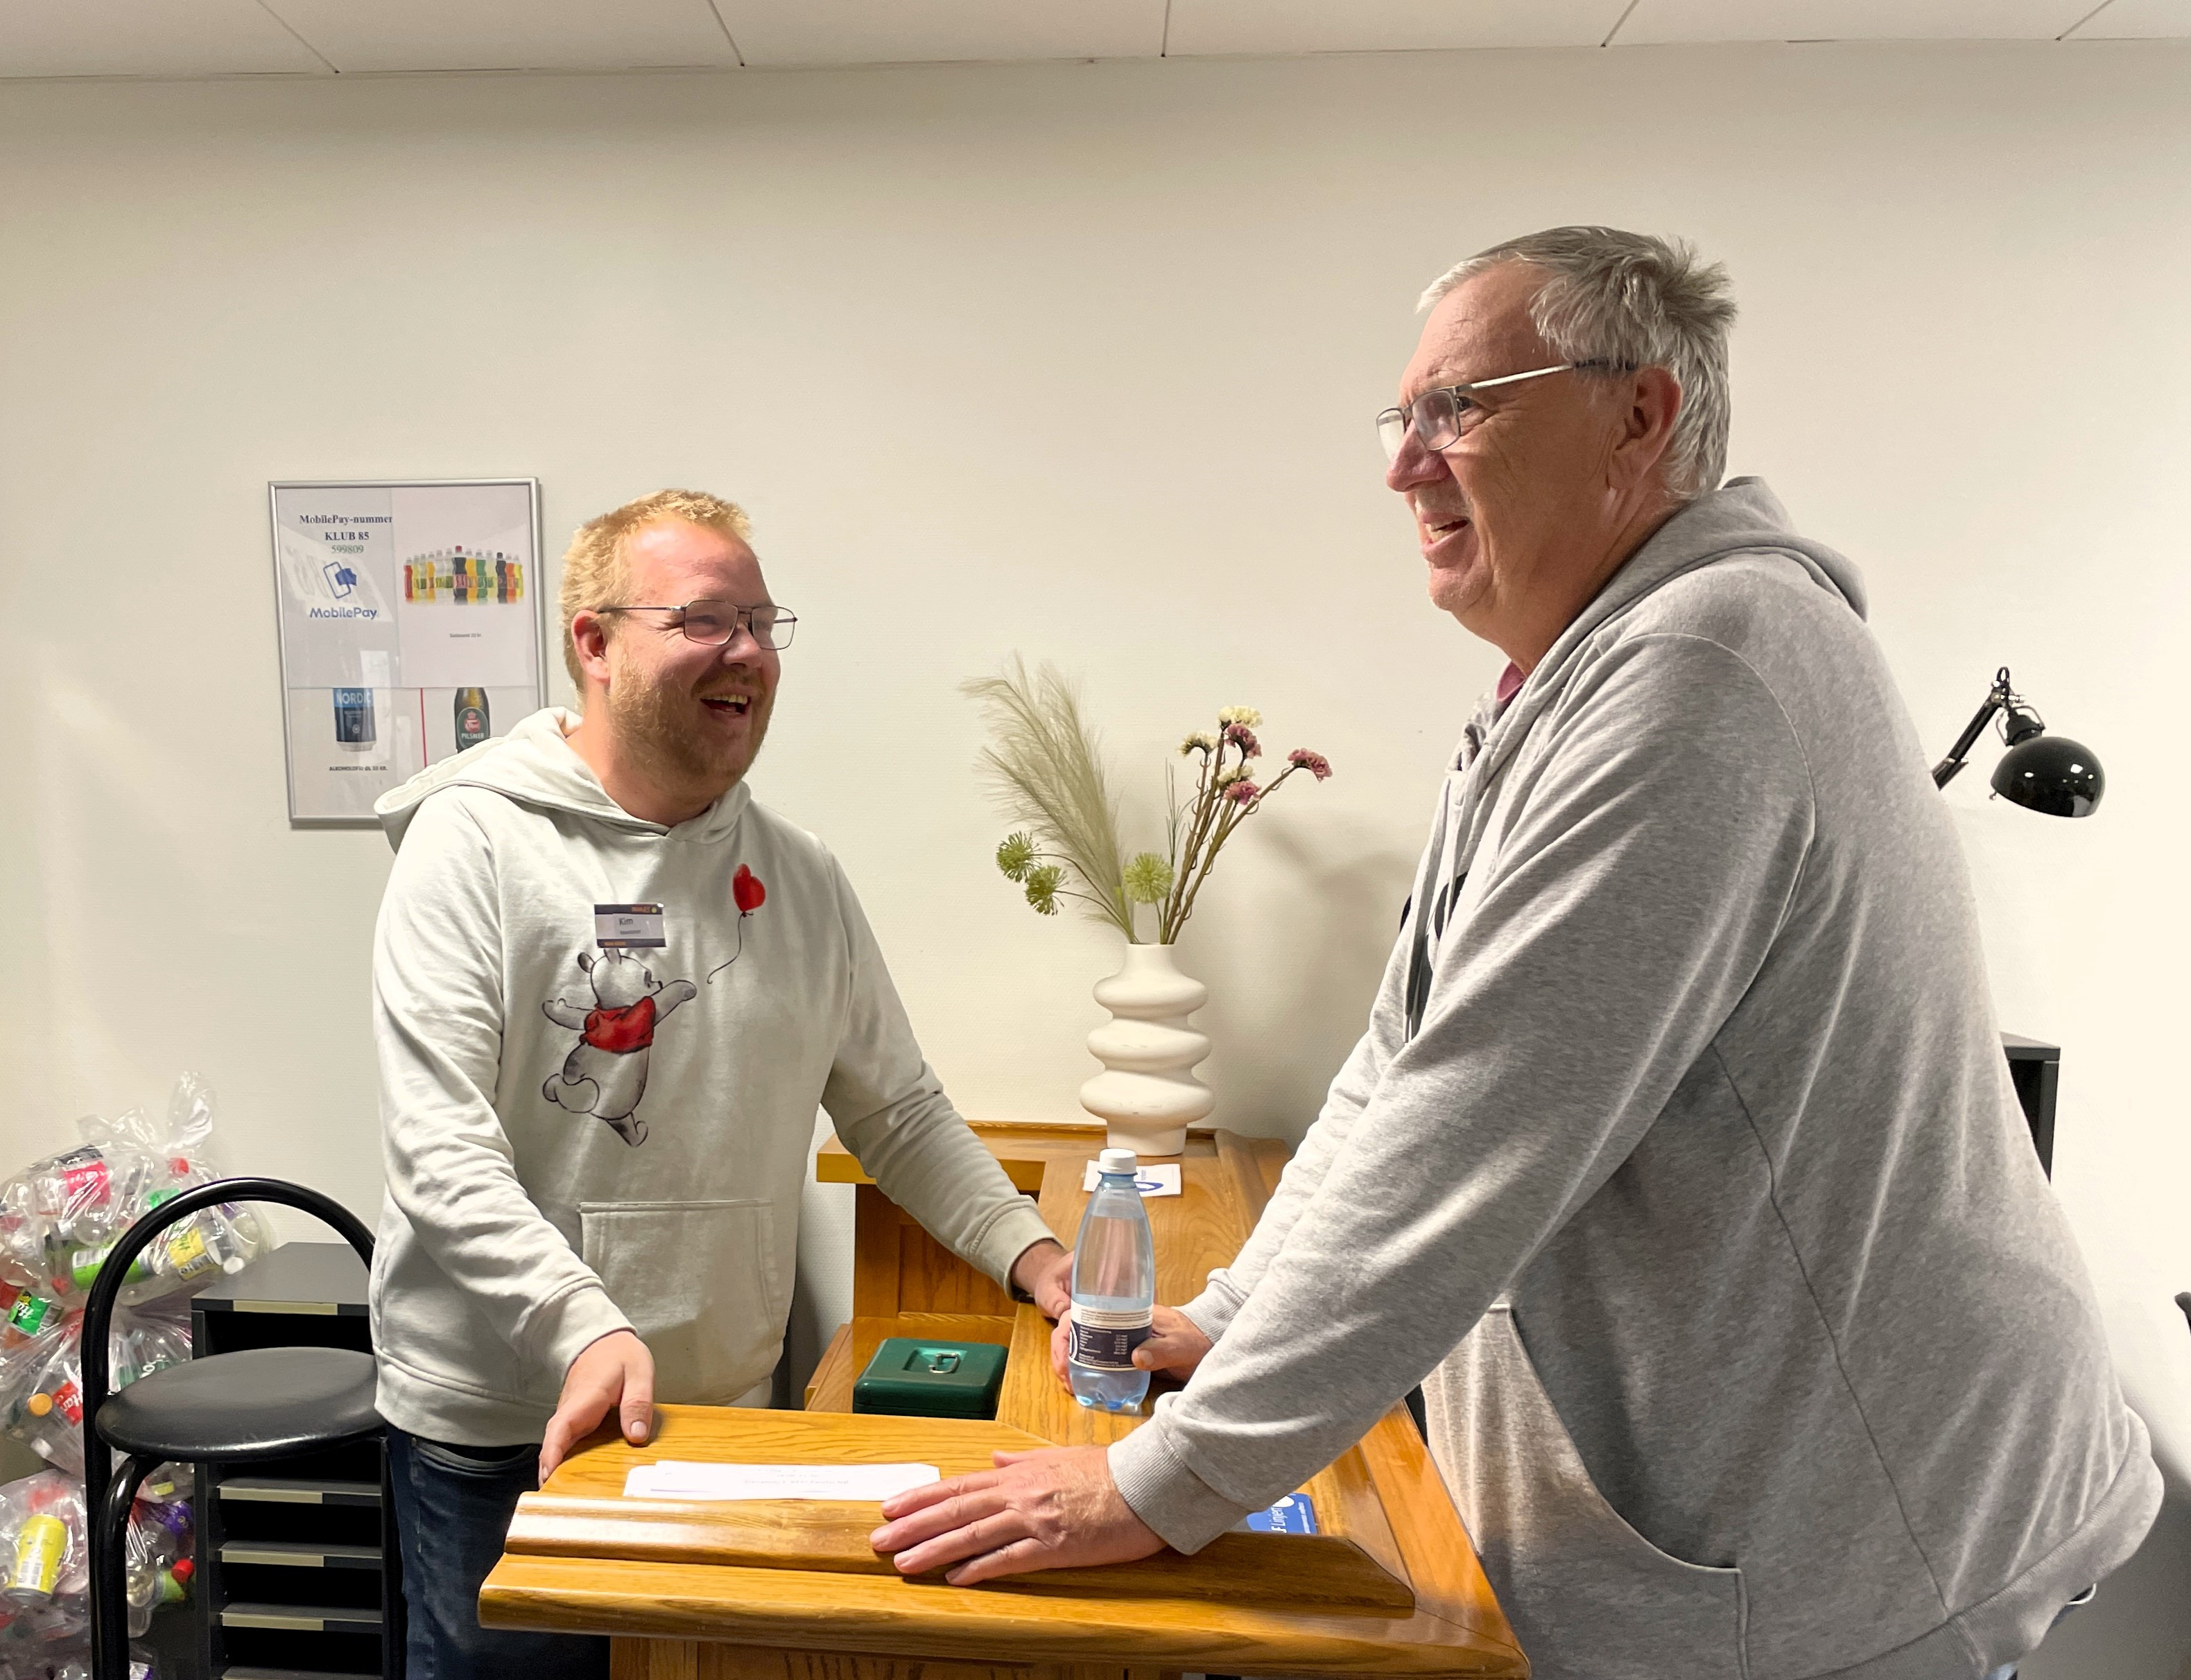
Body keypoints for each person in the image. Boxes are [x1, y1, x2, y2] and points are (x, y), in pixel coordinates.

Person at [870, 229, 2161, 1680]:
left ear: (1637, 415)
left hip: (1868, 1550)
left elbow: (1477, 1121)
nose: (1403, 465)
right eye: (1400, 416)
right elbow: (1397, 1064)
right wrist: (1228, 1321)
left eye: (1459, 408)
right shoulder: (1560, 685)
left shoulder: (1703, 669)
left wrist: (1162, 1483)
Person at [370, 487, 1070, 1679]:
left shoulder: (800, 876)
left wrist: (1038, 1257)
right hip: (508, 1430)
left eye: (761, 622)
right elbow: (441, 1149)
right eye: (703, 619)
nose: (746, 650)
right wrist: (581, 1323)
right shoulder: (471, 845)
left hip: (727, 1420)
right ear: (595, 643)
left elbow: (896, 1108)